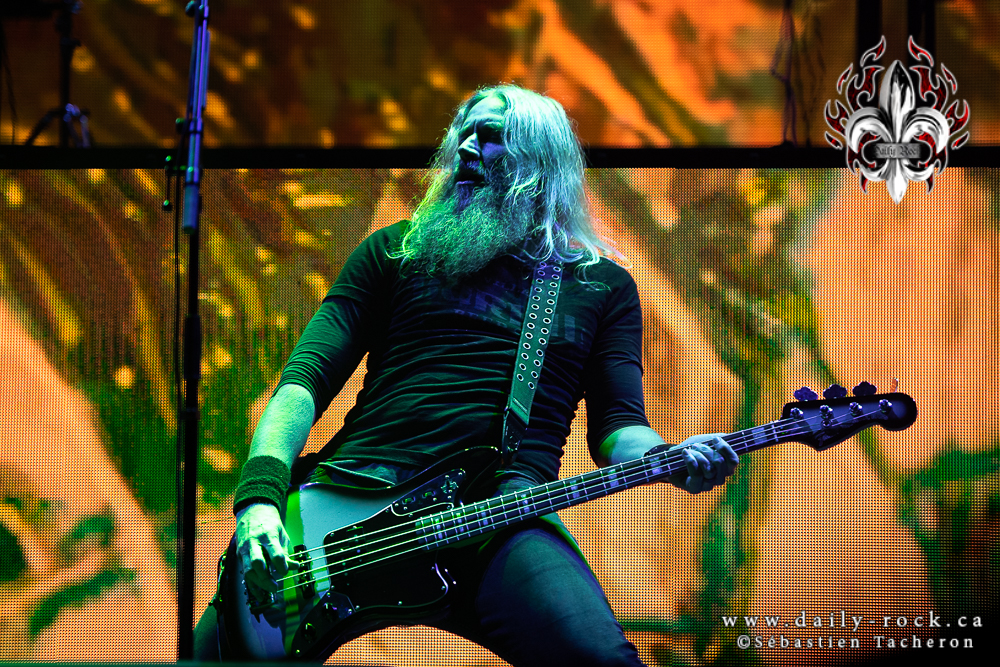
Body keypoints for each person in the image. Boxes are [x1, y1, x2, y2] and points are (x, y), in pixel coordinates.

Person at [194, 84, 738, 666]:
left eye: (491, 136)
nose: (467, 147)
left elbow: (617, 429)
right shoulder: (393, 253)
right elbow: (303, 383)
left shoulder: (600, 286)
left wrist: (670, 457)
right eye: (464, 133)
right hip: (341, 510)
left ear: (541, 159)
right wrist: (259, 501)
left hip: (499, 514)